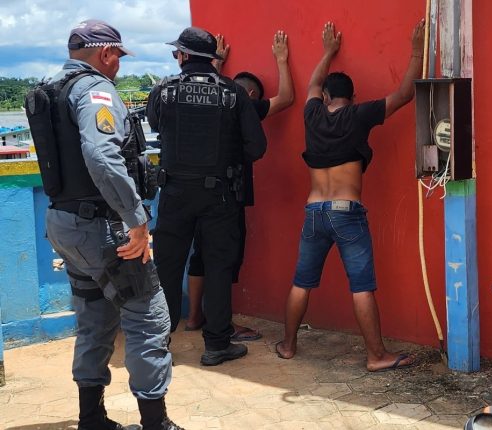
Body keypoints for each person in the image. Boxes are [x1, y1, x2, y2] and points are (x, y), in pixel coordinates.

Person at [28, 19, 182, 430]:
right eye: (118, 58)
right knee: (148, 319)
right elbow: (101, 156)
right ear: (106, 53)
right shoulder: (95, 90)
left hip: (65, 225)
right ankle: (156, 423)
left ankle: (92, 418)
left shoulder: (50, 88)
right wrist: (136, 219)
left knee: (93, 320)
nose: (119, 66)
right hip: (104, 229)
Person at [275, 20, 425, 372]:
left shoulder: (312, 113)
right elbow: (404, 94)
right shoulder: (360, 114)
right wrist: (417, 51)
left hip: (314, 211)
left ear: (326, 97)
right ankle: (376, 356)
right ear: (352, 98)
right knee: (361, 286)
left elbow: (312, 85)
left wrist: (328, 52)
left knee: (301, 282)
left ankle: (288, 345)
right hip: (347, 211)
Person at [148, 26, 268, 366]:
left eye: (177, 52)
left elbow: (155, 125)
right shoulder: (233, 94)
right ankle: (216, 345)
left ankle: (158, 346)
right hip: (219, 195)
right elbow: (257, 147)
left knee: (168, 268)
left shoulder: (163, 91)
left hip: (174, 193)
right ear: (210, 58)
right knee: (218, 268)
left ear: (184, 56)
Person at [184, 31, 295, 341]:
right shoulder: (244, 104)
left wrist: (215, 63)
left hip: (192, 191)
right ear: (252, 96)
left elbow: (208, 87)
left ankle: (193, 317)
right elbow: (286, 98)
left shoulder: (210, 100)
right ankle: (222, 325)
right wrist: (282, 60)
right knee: (222, 259)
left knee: (199, 254)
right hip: (228, 195)